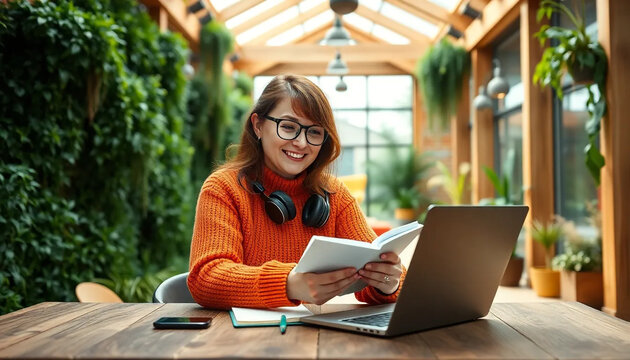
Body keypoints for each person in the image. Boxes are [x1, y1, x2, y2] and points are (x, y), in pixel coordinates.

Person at [188, 74, 405, 309]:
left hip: (320, 338)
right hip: (241, 341)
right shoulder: (224, 188)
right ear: (258, 125)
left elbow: (389, 272)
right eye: (289, 127)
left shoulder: (334, 194)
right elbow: (206, 278)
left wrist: (387, 283)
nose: (301, 143)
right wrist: (288, 284)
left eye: (314, 132)